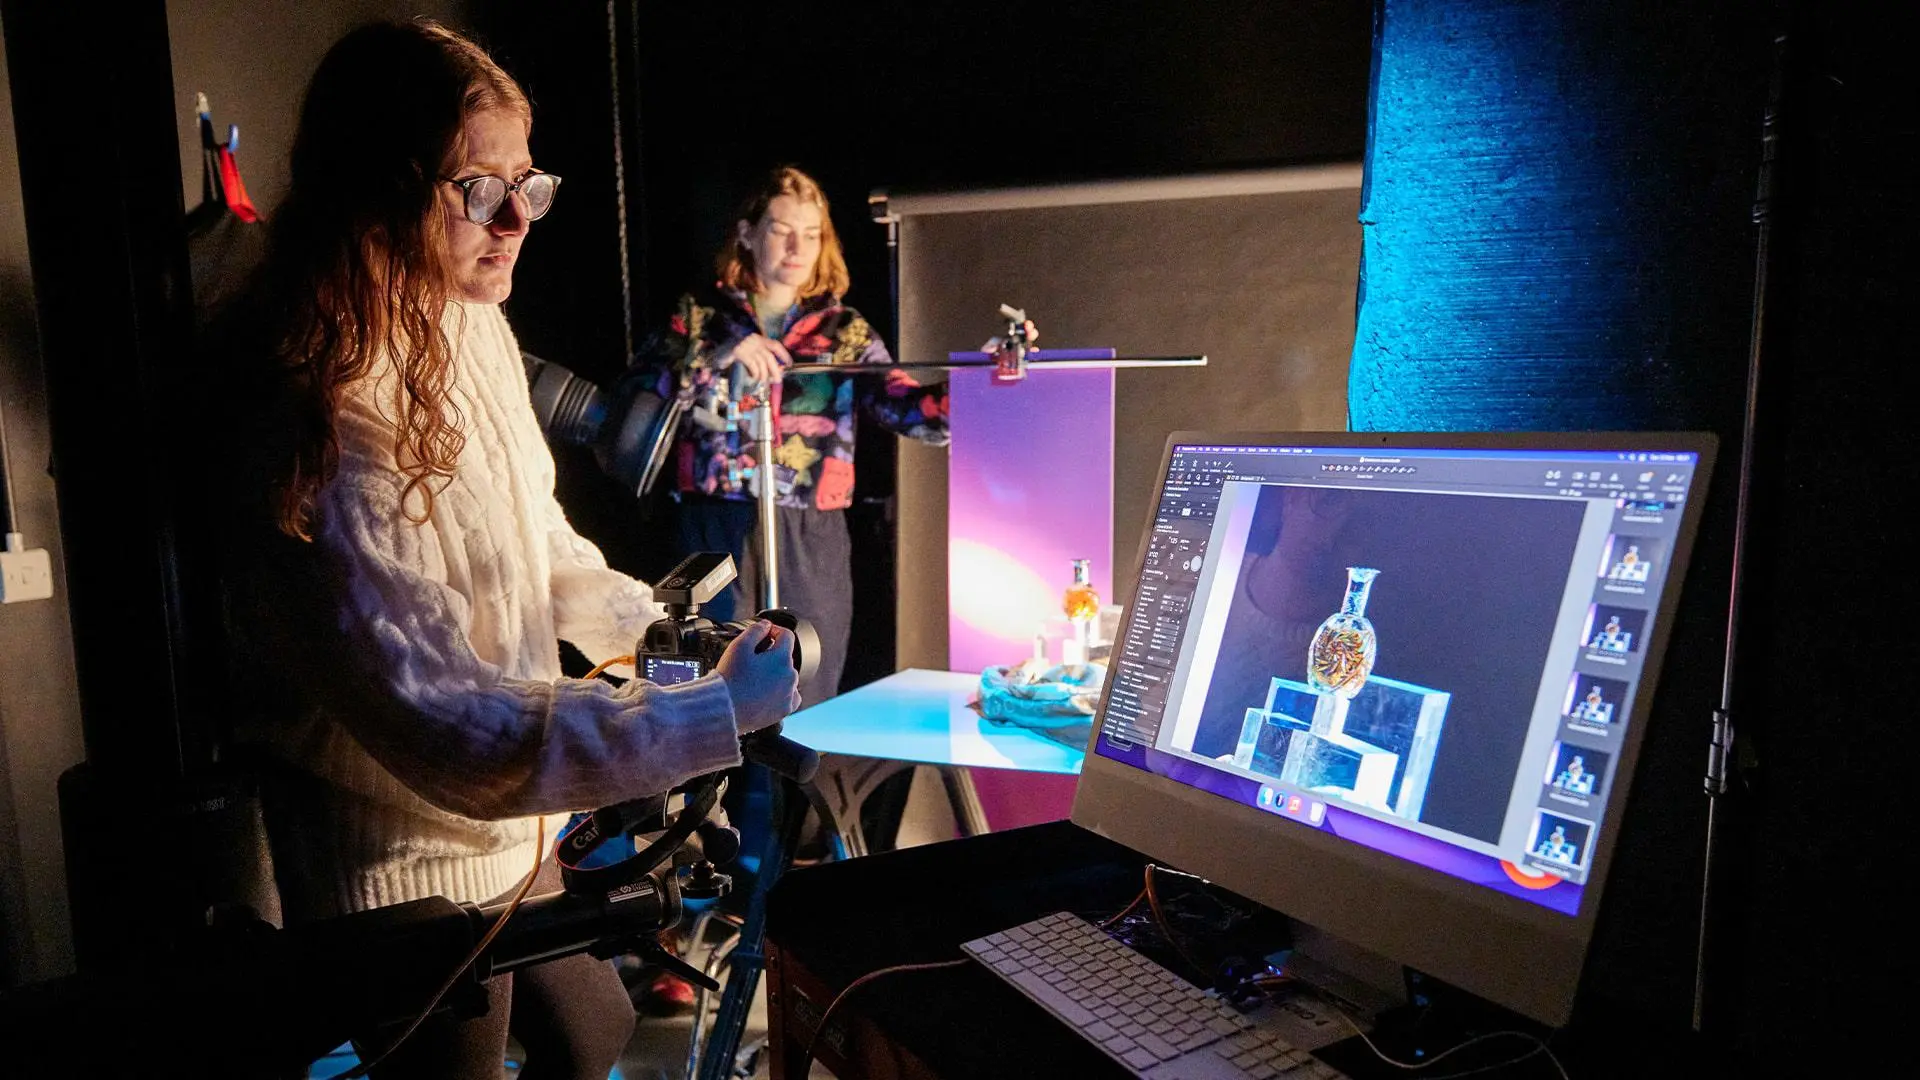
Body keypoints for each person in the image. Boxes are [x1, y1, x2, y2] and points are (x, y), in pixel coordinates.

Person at [215, 20, 799, 1078]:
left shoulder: (466, 320)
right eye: (481, 192)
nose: (520, 220)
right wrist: (711, 712)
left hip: (505, 826)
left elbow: (541, 539)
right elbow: (443, 720)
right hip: (402, 860)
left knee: (598, 1030)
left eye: (530, 183)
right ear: (381, 190)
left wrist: (660, 636)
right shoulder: (315, 402)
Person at [629, 165, 1033, 705]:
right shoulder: (699, 318)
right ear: (748, 235)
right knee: (707, 679)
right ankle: (720, 790)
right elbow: (633, 403)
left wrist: (981, 381)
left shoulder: (843, 331)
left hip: (809, 530)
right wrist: (718, 359)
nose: (798, 247)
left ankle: (795, 792)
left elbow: (913, 411)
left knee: (805, 681)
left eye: (812, 234)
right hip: (715, 520)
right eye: (781, 229)